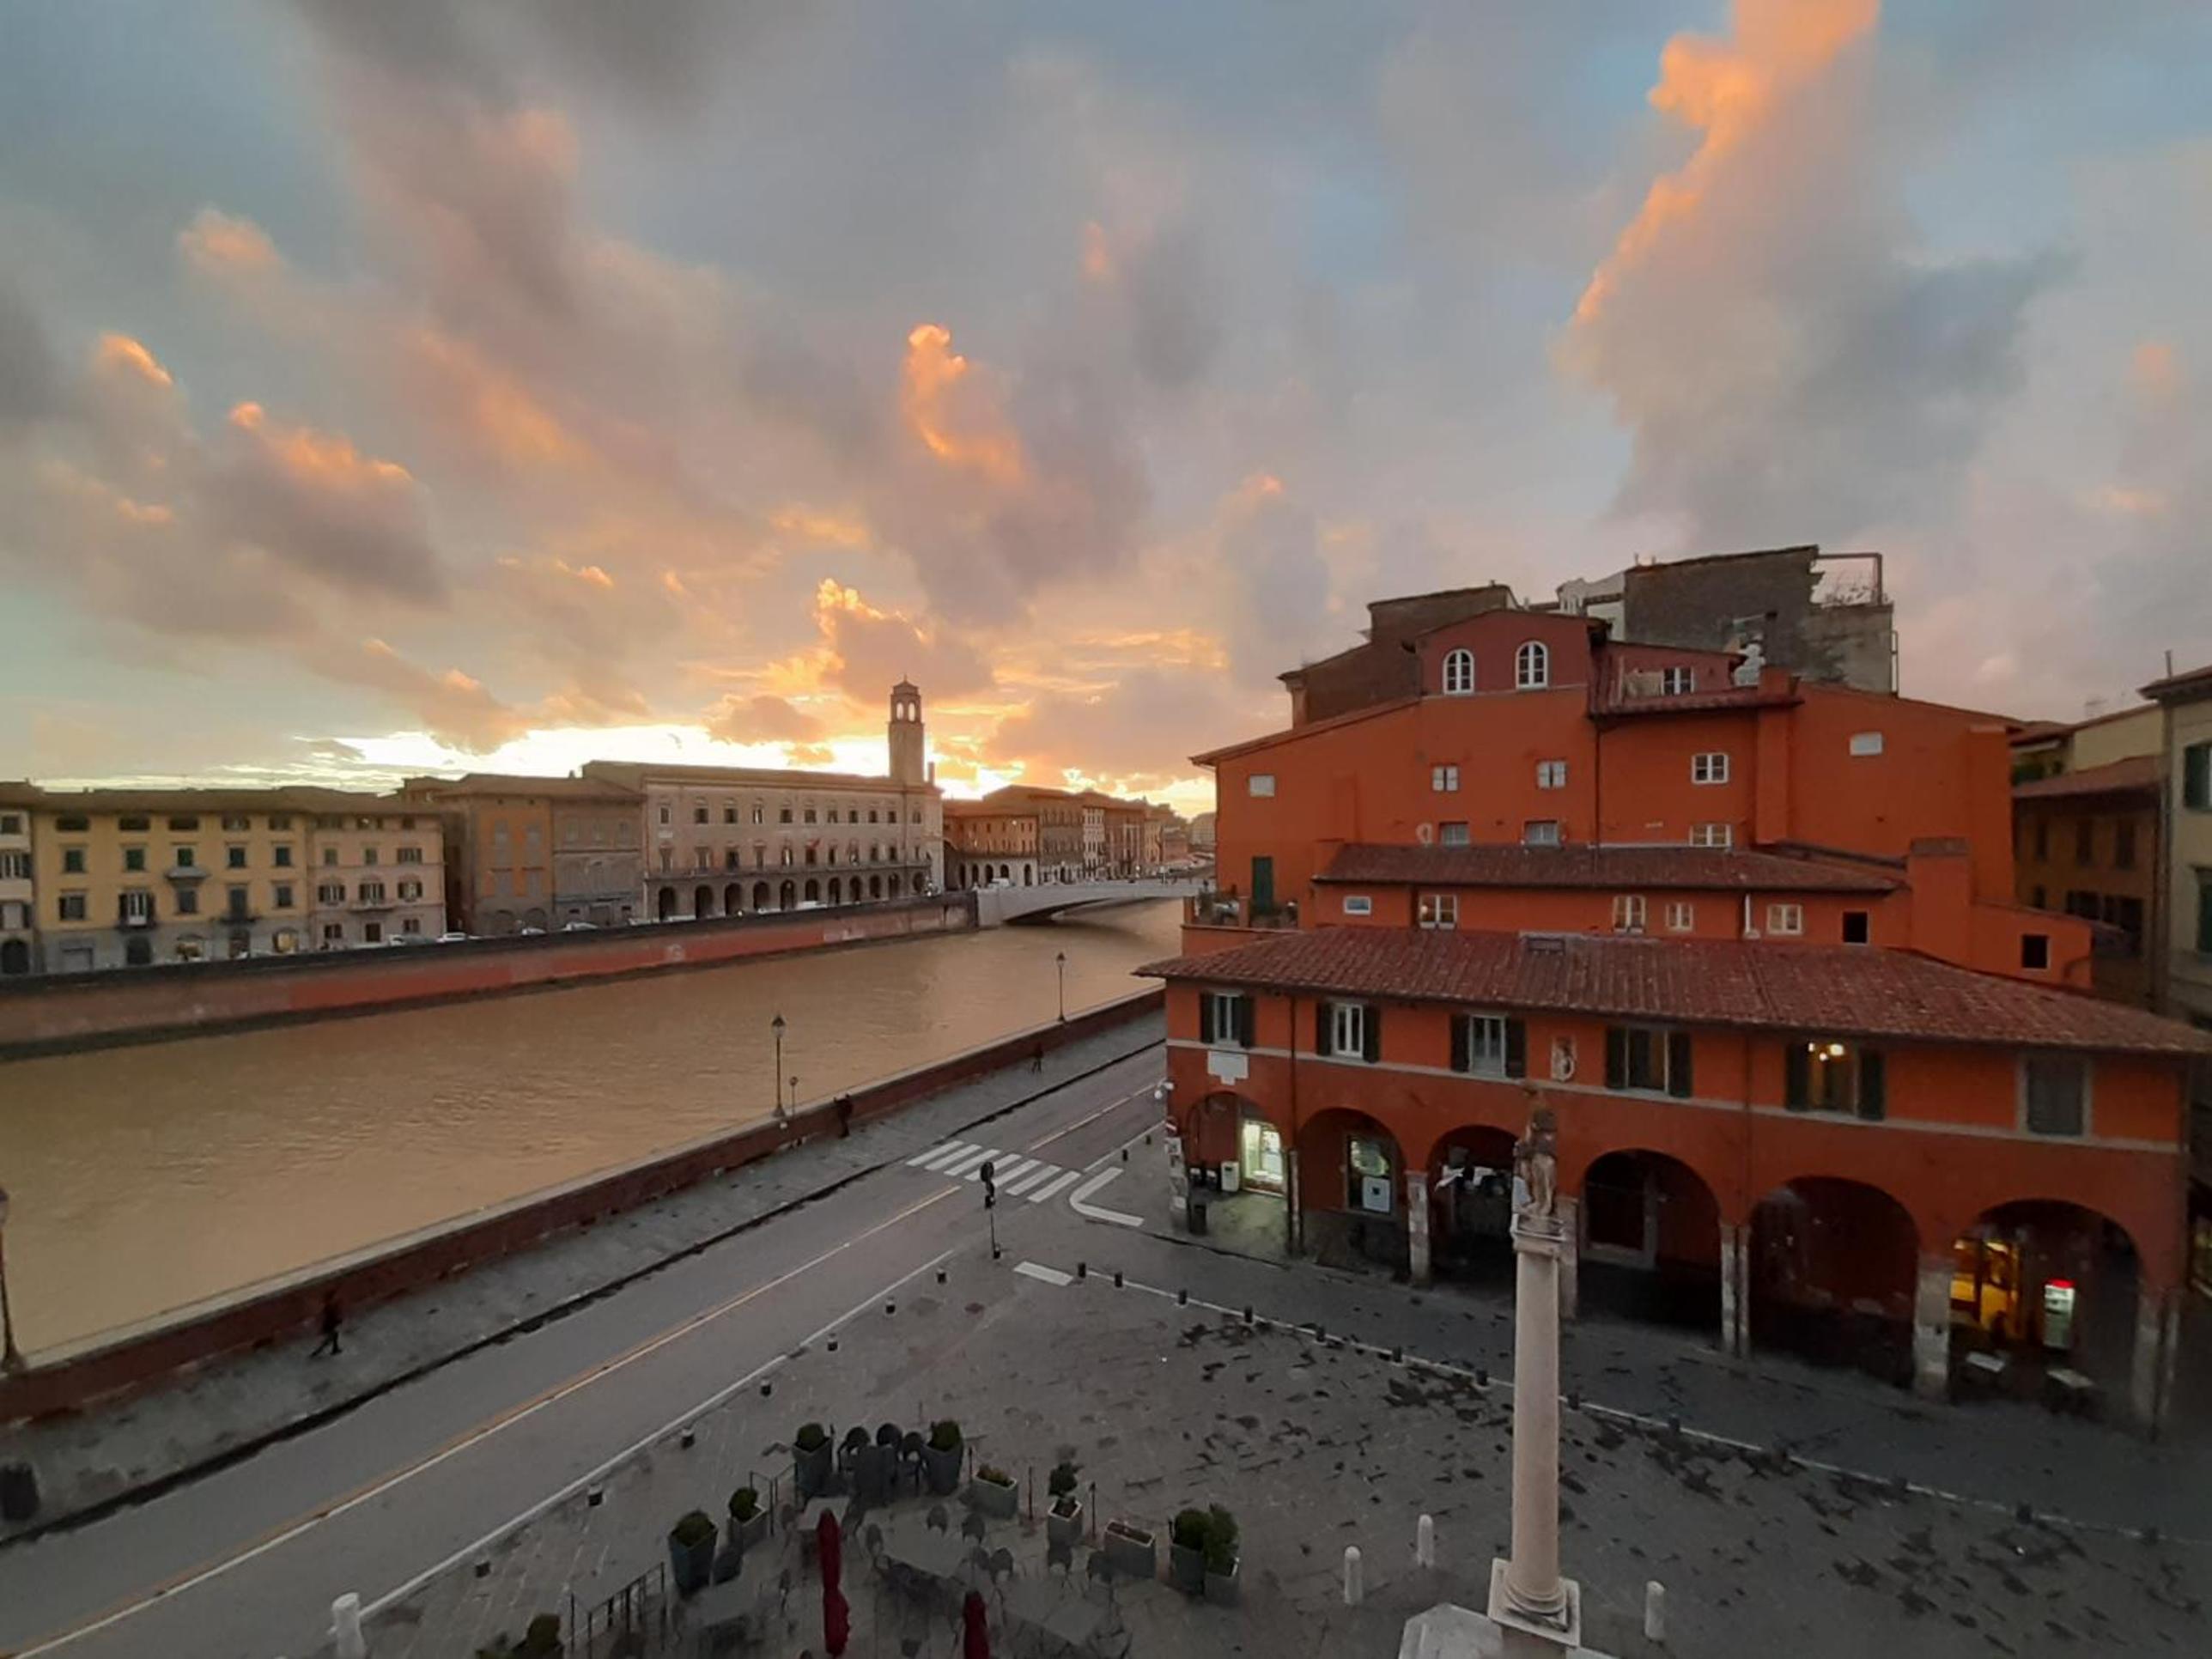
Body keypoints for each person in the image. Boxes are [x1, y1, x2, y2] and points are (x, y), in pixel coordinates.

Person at [312, 1292, 343, 1358]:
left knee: (334, 1335)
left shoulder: (330, 1306)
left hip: (330, 1325)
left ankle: (334, 1349)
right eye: (334, 1298)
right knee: (330, 1339)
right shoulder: (329, 1307)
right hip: (329, 1325)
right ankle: (317, 1352)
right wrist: (337, 1321)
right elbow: (330, 1317)